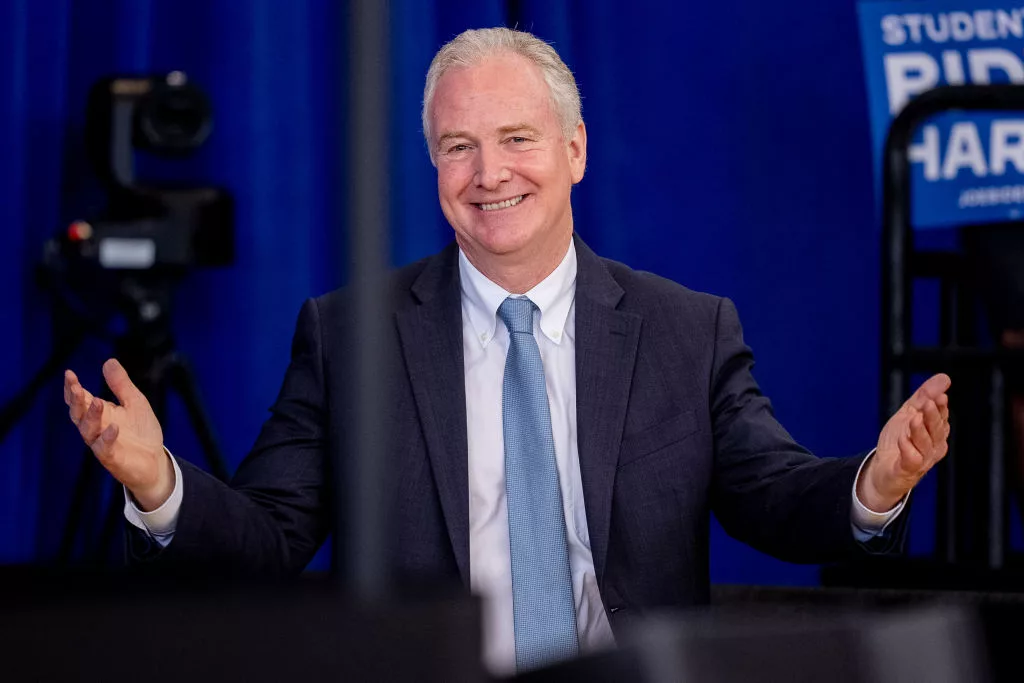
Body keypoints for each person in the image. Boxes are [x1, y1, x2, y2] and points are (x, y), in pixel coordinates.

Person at [63, 27, 951, 676]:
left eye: (517, 139)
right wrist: (160, 485)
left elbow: (773, 495)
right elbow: (269, 536)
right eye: (459, 147)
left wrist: (873, 486)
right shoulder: (349, 336)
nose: (489, 173)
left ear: (574, 150)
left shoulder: (686, 328)